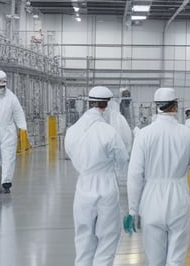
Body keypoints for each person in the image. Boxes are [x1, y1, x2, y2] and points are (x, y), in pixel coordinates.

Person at [125, 88, 190, 266]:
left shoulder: (144, 135)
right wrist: (189, 167)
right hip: (178, 198)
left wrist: (132, 210)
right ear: (175, 106)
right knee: (176, 258)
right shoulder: (188, 135)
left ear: (156, 107)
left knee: (154, 260)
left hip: (151, 201)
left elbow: (134, 175)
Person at [65, 86, 129, 266]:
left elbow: (70, 152)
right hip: (106, 185)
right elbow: (123, 158)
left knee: (83, 238)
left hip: (83, 186)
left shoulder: (73, 130)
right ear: (106, 105)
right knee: (107, 238)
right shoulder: (108, 131)